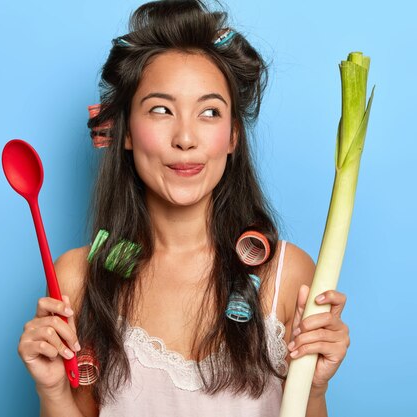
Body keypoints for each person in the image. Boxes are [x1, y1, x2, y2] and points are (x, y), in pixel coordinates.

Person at [17, 1, 350, 416]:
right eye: (161, 109)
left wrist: (315, 390)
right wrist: (52, 391)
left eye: (209, 112)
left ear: (232, 137)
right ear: (124, 132)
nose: (186, 137)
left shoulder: (287, 275)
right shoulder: (78, 279)